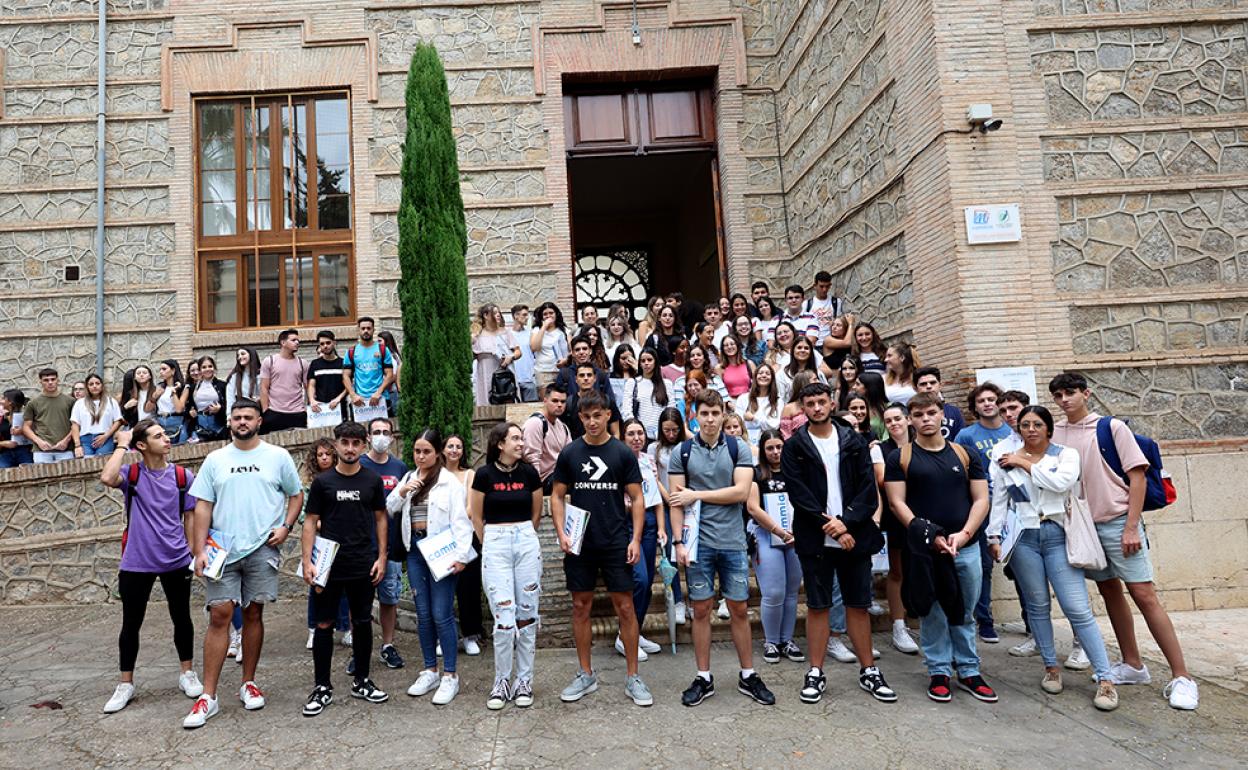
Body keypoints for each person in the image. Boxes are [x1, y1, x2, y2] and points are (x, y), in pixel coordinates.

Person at [1049, 371, 1198, 710]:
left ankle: (1182, 677)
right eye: (1058, 395)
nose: (1064, 400)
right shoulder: (1056, 432)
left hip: (1118, 523)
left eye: (1070, 392)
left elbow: (1137, 477)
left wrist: (1131, 527)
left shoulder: (1112, 427)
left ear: (1087, 393)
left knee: (1144, 594)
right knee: (1109, 590)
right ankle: (1132, 665)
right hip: (1083, 527)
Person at [986, 405, 1119, 711]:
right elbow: (1000, 501)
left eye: (1037, 424)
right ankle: (1051, 667)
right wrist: (993, 537)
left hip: (1059, 535)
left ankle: (1105, 678)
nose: (1030, 429)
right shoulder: (1004, 460)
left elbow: (1060, 484)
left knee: (1077, 608)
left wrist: (1024, 463)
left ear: (1048, 428)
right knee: (1037, 605)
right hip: (1024, 539)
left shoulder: (1066, 455)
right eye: (1025, 424)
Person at [183, 399, 303, 729]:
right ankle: (208, 696)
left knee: (253, 613)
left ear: (259, 421)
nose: (241, 422)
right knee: (220, 613)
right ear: (230, 422)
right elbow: (203, 506)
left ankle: (248, 682)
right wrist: (199, 549)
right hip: (222, 549)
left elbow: (296, 494)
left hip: (262, 547)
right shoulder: (215, 459)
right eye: (236, 417)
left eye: (248, 417)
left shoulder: (277, 457)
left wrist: (286, 526)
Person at [778, 382, 895, 704]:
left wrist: (847, 523)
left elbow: (867, 490)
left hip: (853, 536)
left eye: (821, 402)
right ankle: (815, 672)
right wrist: (832, 527)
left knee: (857, 604)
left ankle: (868, 670)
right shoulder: (794, 446)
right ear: (802, 408)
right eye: (810, 403)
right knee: (818, 606)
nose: (816, 408)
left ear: (831, 403)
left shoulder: (854, 441)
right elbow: (798, 494)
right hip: (816, 538)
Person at [884, 392, 996, 705]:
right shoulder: (900, 458)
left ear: (941, 414)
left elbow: (981, 499)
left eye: (931, 413)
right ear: (910, 419)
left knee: (964, 610)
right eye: (918, 415)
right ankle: (939, 671)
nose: (925, 420)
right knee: (932, 611)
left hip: (966, 546)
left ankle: (970, 670)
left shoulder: (965, 453)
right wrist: (927, 534)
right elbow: (896, 502)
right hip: (925, 549)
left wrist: (964, 534)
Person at [669, 389, 774, 707]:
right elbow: (676, 502)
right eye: (704, 413)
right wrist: (677, 543)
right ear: (695, 416)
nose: (711, 419)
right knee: (700, 611)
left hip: (732, 541)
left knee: (739, 609)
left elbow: (742, 492)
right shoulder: (682, 452)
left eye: (716, 413)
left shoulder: (737, 446)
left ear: (722, 415)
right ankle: (704, 677)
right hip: (697, 544)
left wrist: (697, 495)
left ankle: (748, 674)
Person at [549, 392, 653, 706]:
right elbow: (556, 496)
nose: (592, 422)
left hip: (615, 541)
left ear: (608, 415)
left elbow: (637, 498)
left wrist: (635, 539)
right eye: (586, 416)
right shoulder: (569, 453)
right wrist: (561, 533)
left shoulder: (622, 453)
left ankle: (633, 677)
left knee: (626, 608)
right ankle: (585, 674)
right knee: (581, 607)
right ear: (579, 418)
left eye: (598, 415)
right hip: (580, 543)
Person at [99, 420, 202, 713]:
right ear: (141, 446)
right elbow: (107, 477)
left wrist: (195, 555)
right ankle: (125, 684)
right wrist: (122, 443)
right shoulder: (132, 473)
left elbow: (191, 518)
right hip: (137, 561)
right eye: (158, 436)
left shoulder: (183, 476)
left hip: (176, 558)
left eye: (165, 434)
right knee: (131, 623)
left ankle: (187, 673)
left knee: (182, 618)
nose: (166, 439)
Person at [300, 421, 391, 716]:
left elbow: (380, 519)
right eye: (345, 443)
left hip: (363, 563)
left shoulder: (372, 481)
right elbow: (311, 521)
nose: (350, 449)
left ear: (363, 445)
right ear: (336, 444)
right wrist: (307, 561)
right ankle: (322, 686)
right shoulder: (323, 483)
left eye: (356, 443)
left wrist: (382, 557)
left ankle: (362, 680)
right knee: (324, 624)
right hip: (328, 566)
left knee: (362, 622)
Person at [388, 429, 473, 706]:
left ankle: (450, 675)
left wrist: (461, 556)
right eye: (416, 451)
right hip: (415, 551)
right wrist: (402, 491)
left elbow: (461, 522)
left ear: (437, 453)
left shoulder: (449, 482)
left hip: (441, 552)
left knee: (441, 613)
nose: (421, 456)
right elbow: (389, 507)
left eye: (426, 451)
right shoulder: (409, 478)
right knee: (423, 614)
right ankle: (430, 670)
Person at [469, 421, 544, 709]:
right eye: (515, 438)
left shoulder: (529, 473)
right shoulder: (484, 475)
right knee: (503, 617)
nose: (520, 442)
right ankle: (501, 681)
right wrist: (488, 542)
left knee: (527, 615)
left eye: (521, 438)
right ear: (500, 444)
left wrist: (524, 535)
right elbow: (476, 515)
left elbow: (536, 513)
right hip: (496, 542)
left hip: (525, 539)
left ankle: (524, 680)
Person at [954, 381, 1012, 645]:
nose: (987, 404)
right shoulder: (966, 436)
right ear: (974, 407)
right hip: (982, 507)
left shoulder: (1014, 430)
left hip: (1015, 506)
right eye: (981, 401)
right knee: (984, 567)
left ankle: (1030, 620)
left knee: (1020, 566)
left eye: (991, 399)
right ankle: (984, 620)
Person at [745, 429, 805, 665]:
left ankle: (786, 640)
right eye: (770, 448)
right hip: (766, 535)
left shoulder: (795, 472)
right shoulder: (757, 473)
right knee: (773, 592)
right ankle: (771, 641)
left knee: (792, 591)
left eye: (779, 447)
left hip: (794, 537)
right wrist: (778, 530)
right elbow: (752, 507)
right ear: (763, 450)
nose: (775, 452)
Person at [359, 418, 410, 671]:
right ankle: (360, 648)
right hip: (360, 545)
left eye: (385, 432)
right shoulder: (358, 465)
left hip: (390, 545)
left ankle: (388, 645)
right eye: (376, 432)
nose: (381, 436)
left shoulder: (400, 468)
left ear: (392, 437)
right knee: (360, 601)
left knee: (389, 598)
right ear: (368, 437)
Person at [876, 403, 920, 654]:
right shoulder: (880, 449)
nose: (893, 424)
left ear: (908, 420)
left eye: (897, 419)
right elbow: (883, 479)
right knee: (897, 572)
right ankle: (899, 627)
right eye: (888, 420)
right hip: (895, 516)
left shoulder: (922, 443)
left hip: (926, 511)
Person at [302, 439, 351, 650]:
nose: (323, 458)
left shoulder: (344, 478)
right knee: (318, 586)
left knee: (345, 587)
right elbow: (307, 517)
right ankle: (314, 628)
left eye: (327, 454)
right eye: (319, 454)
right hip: (320, 542)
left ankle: (345, 628)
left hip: (342, 541)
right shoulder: (311, 484)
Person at [444, 434, 485, 657]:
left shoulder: (470, 475)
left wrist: (453, 524)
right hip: (441, 541)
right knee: (444, 591)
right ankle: (446, 637)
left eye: (458, 446)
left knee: (469, 589)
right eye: (450, 446)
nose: (454, 450)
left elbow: (471, 508)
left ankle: (470, 635)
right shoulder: (436, 475)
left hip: (467, 538)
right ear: (442, 450)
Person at [654, 406, 689, 623]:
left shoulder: (688, 446)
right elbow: (655, 477)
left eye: (675, 429)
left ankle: (695, 598)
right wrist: (669, 499)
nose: (671, 434)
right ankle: (678, 600)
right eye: (667, 430)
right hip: (667, 504)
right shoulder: (655, 449)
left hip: (688, 502)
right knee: (671, 553)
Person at [521, 384, 573, 494]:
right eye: (555, 401)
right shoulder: (535, 423)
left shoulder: (563, 427)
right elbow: (531, 458)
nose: (559, 405)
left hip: (560, 475)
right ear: (545, 401)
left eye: (563, 402)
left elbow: (570, 456)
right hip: (543, 480)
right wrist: (537, 489)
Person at [259, 329, 309, 433]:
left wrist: (306, 408)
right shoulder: (270, 361)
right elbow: (264, 387)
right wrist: (265, 410)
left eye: (298, 340)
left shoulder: (302, 363)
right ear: (283, 342)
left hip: (297, 412)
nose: (297, 343)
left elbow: (308, 387)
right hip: (274, 412)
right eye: (293, 340)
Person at [22, 368, 76, 463]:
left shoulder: (70, 401)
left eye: (53, 379)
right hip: (41, 451)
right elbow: (26, 427)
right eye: (46, 380)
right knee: (42, 477)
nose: (50, 382)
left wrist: (66, 440)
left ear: (58, 380)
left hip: (65, 449)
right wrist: (39, 441)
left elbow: (76, 425)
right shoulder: (33, 403)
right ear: (40, 382)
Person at [342, 317, 396, 414]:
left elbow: (389, 375)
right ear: (358, 330)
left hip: (381, 399)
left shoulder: (383, 349)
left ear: (373, 330)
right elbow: (346, 376)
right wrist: (353, 395)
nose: (366, 331)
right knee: (361, 429)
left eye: (368, 328)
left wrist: (378, 393)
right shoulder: (351, 351)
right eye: (363, 328)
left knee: (383, 427)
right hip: (360, 400)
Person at [474, 304, 522, 407]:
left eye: (499, 312)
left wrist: (511, 357)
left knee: (507, 400)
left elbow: (518, 351)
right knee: (487, 400)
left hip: (505, 373)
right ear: (486, 315)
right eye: (495, 313)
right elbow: (472, 356)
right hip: (486, 372)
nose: (498, 315)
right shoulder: (478, 334)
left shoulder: (505, 332)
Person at [562, 362, 622, 440]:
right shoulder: (568, 403)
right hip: (577, 449)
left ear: (595, 378)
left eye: (589, 375)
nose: (586, 378)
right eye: (582, 375)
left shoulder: (607, 401)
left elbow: (616, 433)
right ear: (576, 379)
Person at [622, 347, 671, 440]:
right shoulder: (632, 383)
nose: (646, 363)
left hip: (662, 435)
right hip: (639, 435)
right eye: (643, 361)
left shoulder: (667, 384)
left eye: (649, 360)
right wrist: (636, 430)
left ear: (655, 361)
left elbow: (670, 409)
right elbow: (626, 411)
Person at [71, 373, 124, 457]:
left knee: (103, 466)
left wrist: (106, 436)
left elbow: (118, 421)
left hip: (105, 439)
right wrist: (77, 445)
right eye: (91, 384)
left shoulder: (111, 401)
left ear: (102, 386)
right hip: (85, 440)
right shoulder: (80, 403)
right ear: (87, 387)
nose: (94, 386)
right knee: (86, 467)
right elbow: (75, 425)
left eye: (97, 383)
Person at [554, 336, 613, 404]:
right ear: (572, 353)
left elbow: (610, 401)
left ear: (590, 351)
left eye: (584, 349)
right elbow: (558, 401)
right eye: (577, 350)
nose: (581, 352)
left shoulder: (601, 374)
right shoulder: (564, 374)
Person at [307, 330, 349, 423]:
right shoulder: (315, 364)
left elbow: (349, 386)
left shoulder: (343, 363)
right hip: (320, 408)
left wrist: (338, 399)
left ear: (334, 343)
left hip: (339, 408)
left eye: (328, 343)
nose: (325, 346)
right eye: (322, 344)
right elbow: (311, 385)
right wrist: (312, 400)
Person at [736, 363, 782, 447]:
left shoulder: (778, 401)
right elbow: (738, 422)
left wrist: (754, 418)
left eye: (767, 373)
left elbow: (774, 425)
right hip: (745, 443)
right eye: (760, 373)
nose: (764, 375)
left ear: (772, 379)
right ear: (755, 377)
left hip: (768, 444)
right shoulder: (743, 399)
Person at [914, 366, 964, 441]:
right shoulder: (912, 413)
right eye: (923, 384)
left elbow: (961, 440)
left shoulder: (954, 411)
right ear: (916, 388)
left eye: (932, 383)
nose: (929, 386)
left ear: (940, 385)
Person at [530, 302, 571, 390]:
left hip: (561, 371)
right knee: (546, 400)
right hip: (543, 371)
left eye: (551, 313)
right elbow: (534, 347)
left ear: (556, 314)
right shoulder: (536, 330)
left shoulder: (564, 330)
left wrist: (566, 360)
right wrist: (544, 327)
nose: (548, 316)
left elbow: (572, 351)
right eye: (545, 314)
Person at [804, 271, 850, 348]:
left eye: (827, 286)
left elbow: (838, 321)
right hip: (813, 344)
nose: (824, 289)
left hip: (831, 343)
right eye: (821, 286)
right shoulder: (807, 304)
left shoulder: (836, 302)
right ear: (815, 286)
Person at [777, 335, 823, 404]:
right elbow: (780, 398)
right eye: (799, 348)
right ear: (793, 351)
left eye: (806, 348)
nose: (803, 350)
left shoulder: (818, 373)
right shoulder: (782, 374)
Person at [190, 356, 227, 442]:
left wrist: (220, 409)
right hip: (200, 424)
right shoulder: (193, 387)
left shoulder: (222, 385)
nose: (207, 369)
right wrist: (191, 412)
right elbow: (189, 406)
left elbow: (230, 406)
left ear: (214, 368)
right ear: (199, 370)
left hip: (218, 423)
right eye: (204, 367)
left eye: (210, 366)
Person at [150, 361, 188, 445]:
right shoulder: (159, 387)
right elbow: (148, 408)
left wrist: (174, 392)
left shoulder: (184, 387)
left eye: (164, 369)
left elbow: (179, 409)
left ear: (173, 370)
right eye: (160, 369)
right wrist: (154, 397)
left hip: (175, 421)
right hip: (160, 421)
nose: (161, 372)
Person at [509, 305, 539, 402]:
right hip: (513, 380)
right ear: (516, 316)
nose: (527, 318)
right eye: (524, 315)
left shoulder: (531, 333)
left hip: (529, 378)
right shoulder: (507, 335)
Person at [0, 389, 35, 467]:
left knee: (30, 473)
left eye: (3, 398)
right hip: (6, 453)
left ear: (10, 402)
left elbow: (37, 434)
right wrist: (4, 443)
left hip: (25, 451)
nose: (1, 401)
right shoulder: (1, 418)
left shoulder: (27, 417)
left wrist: (23, 431)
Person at [225, 348, 261, 416]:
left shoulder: (261, 374)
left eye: (243, 354)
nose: (240, 357)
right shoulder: (234, 377)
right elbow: (230, 398)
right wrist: (229, 415)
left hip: (257, 412)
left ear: (251, 355)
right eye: (238, 355)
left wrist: (259, 399)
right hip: (240, 414)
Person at [719, 335, 754, 400]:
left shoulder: (749, 364)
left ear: (737, 346)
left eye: (732, 344)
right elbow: (719, 391)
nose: (729, 347)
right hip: (730, 402)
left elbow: (756, 385)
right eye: (726, 345)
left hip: (749, 400)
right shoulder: (720, 368)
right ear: (723, 349)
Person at [377, 330, 403, 417]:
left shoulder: (391, 356)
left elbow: (393, 375)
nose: (378, 344)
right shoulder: (393, 355)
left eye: (380, 341)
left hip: (391, 391)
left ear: (386, 341)